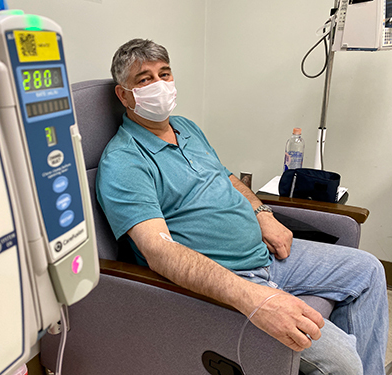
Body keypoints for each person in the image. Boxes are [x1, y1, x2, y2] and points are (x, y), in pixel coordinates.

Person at [96, 38, 389, 375]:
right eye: (145, 79)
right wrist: (255, 299)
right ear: (123, 95)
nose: (160, 85)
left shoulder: (186, 127)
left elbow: (228, 177)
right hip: (227, 279)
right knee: (344, 363)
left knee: (368, 270)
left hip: (266, 255)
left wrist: (262, 213)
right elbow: (158, 251)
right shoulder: (124, 161)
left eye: (165, 74)